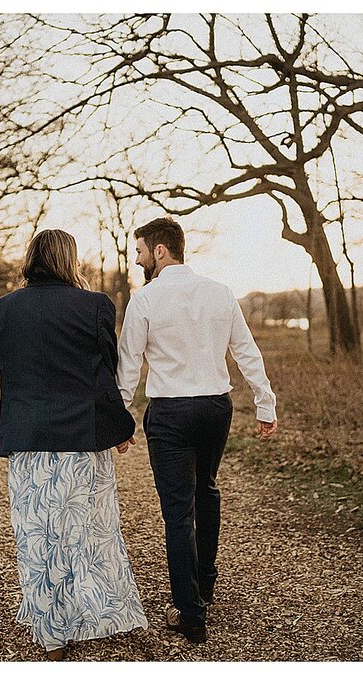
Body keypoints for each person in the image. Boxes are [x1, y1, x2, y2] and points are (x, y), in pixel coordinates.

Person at [0, 229, 148, 661]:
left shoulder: (1, 310)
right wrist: (121, 426)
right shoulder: (96, 306)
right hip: (83, 440)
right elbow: (104, 377)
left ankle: (52, 633)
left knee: (37, 536)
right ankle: (94, 613)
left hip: (28, 443)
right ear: (70, 260)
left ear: (32, 259)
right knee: (89, 533)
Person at [116, 216, 277, 644]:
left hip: (170, 413)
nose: (138, 258)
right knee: (205, 489)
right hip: (214, 408)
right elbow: (246, 351)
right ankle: (204, 581)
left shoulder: (144, 300)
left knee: (176, 510)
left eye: (141, 250)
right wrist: (265, 403)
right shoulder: (220, 293)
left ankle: (190, 612)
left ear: (161, 251)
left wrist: (121, 418)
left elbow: (128, 364)